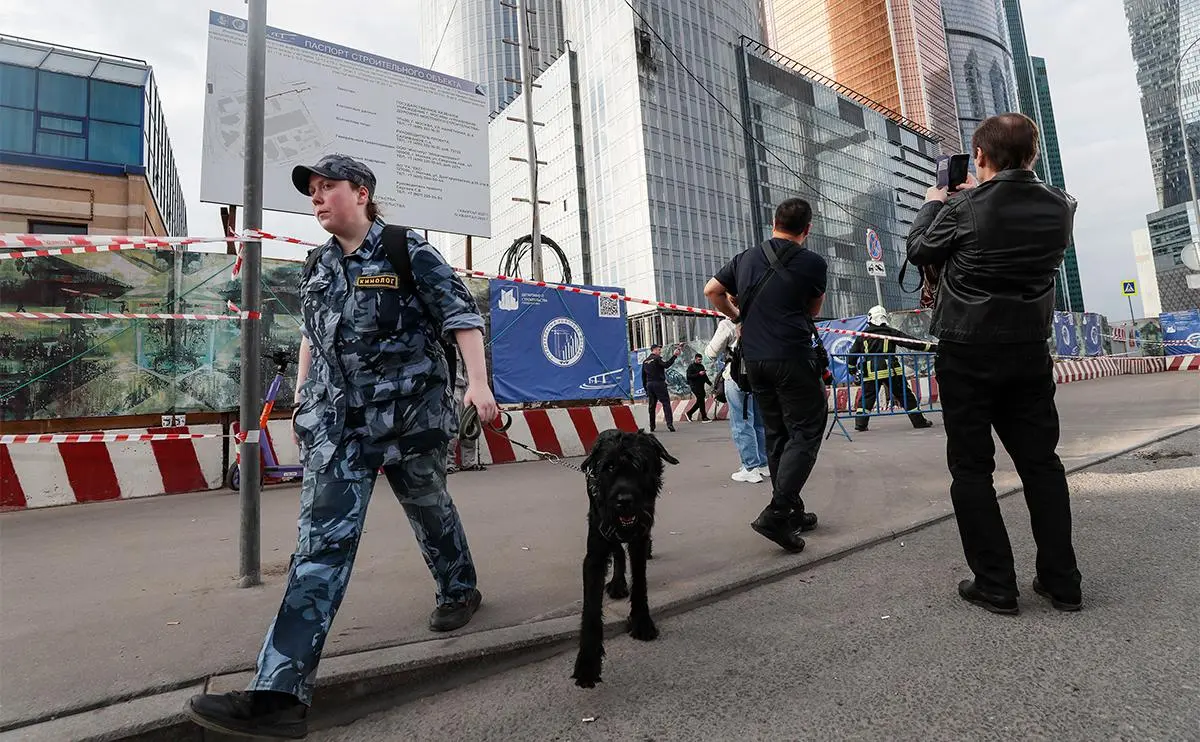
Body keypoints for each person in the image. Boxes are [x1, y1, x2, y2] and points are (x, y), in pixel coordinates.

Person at [185, 154, 499, 739]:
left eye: (328, 188)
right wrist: (304, 398)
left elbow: (461, 316)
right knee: (320, 548)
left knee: (430, 510)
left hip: (409, 421)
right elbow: (311, 332)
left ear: (362, 192)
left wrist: (477, 384)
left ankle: (460, 587)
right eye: (312, 192)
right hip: (339, 428)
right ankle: (278, 694)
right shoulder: (319, 264)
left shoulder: (409, 250)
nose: (317, 199)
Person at [907, 113, 1083, 615]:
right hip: (1029, 348)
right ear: (1032, 155)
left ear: (979, 156)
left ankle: (996, 585)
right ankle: (1062, 581)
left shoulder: (963, 206)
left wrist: (934, 203)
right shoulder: (1062, 207)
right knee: (1041, 465)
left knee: (971, 469)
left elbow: (920, 249)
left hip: (967, 350)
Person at [704, 198, 828, 553]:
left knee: (776, 433)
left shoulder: (744, 258)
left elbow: (711, 290)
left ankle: (791, 509)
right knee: (805, 431)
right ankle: (776, 513)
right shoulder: (813, 263)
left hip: (754, 361)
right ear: (807, 229)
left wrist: (738, 316)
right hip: (792, 356)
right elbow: (813, 310)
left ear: (774, 222)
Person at [848, 305, 935, 432]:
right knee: (905, 395)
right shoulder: (890, 333)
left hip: (870, 372)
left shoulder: (863, 335)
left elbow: (852, 354)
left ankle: (861, 424)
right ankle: (919, 422)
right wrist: (934, 348)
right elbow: (911, 342)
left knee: (867, 397)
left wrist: (852, 369)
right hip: (891, 370)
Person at [706, 316, 769, 483]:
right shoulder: (760, 318)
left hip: (737, 377)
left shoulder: (728, 323)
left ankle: (750, 468)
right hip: (759, 376)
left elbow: (711, 352)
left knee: (741, 423)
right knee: (759, 423)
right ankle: (763, 464)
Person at [641, 343, 680, 433]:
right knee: (666, 403)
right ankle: (669, 424)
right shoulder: (657, 358)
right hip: (659, 384)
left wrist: (646, 388)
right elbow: (666, 365)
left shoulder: (645, 361)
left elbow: (643, 376)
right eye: (659, 350)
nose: (660, 351)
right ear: (654, 350)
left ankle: (652, 426)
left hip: (649, 385)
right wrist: (674, 356)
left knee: (652, 406)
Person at [684, 353, 712, 423]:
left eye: (701, 360)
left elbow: (705, 377)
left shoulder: (701, 366)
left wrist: (710, 384)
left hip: (701, 386)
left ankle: (689, 413)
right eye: (699, 359)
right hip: (694, 386)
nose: (700, 361)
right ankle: (704, 417)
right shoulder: (691, 366)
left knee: (700, 401)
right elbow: (689, 376)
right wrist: (698, 374)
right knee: (701, 400)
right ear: (695, 359)